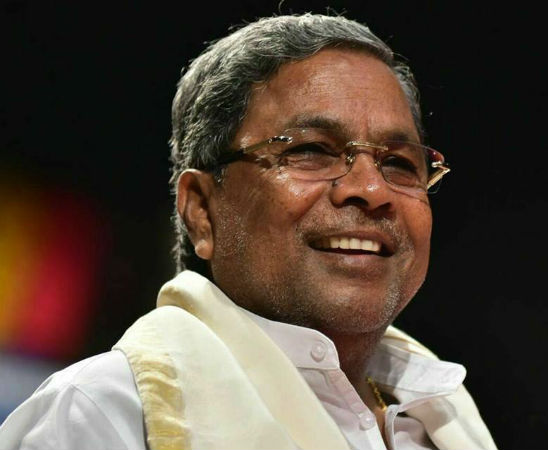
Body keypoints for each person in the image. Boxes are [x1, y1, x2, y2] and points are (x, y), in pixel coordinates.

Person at [0, 13, 496, 450]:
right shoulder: (101, 416)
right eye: (310, 151)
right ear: (201, 209)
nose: (371, 188)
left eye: (400, 163)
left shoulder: (441, 417)